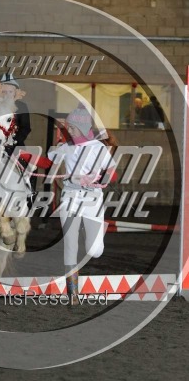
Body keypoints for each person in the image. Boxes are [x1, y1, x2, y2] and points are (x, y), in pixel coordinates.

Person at [48, 106, 116, 306]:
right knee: (70, 244)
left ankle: (99, 231)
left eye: (72, 128)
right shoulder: (65, 147)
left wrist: (99, 180)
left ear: (83, 127)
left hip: (92, 199)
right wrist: (24, 158)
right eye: (68, 127)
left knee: (94, 251)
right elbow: (46, 162)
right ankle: (73, 295)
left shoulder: (98, 148)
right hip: (70, 197)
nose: (69, 131)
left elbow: (112, 171)